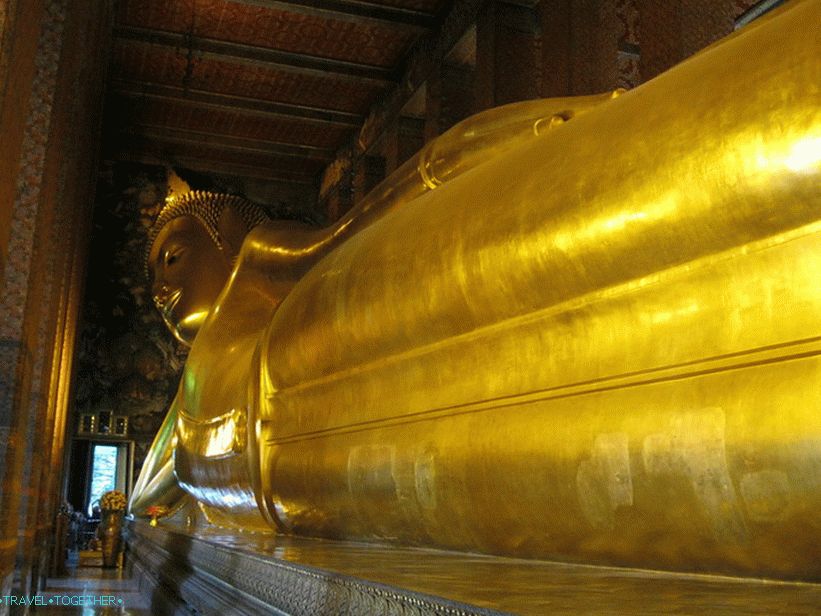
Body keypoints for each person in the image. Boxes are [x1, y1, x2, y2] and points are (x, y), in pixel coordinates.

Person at [132, 0, 821, 580]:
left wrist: (460, 151)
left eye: (170, 258)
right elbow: (148, 493)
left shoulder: (270, 268)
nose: (159, 289)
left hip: (315, 341)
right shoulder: (193, 384)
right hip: (324, 469)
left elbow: (349, 227)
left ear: (223, 240)